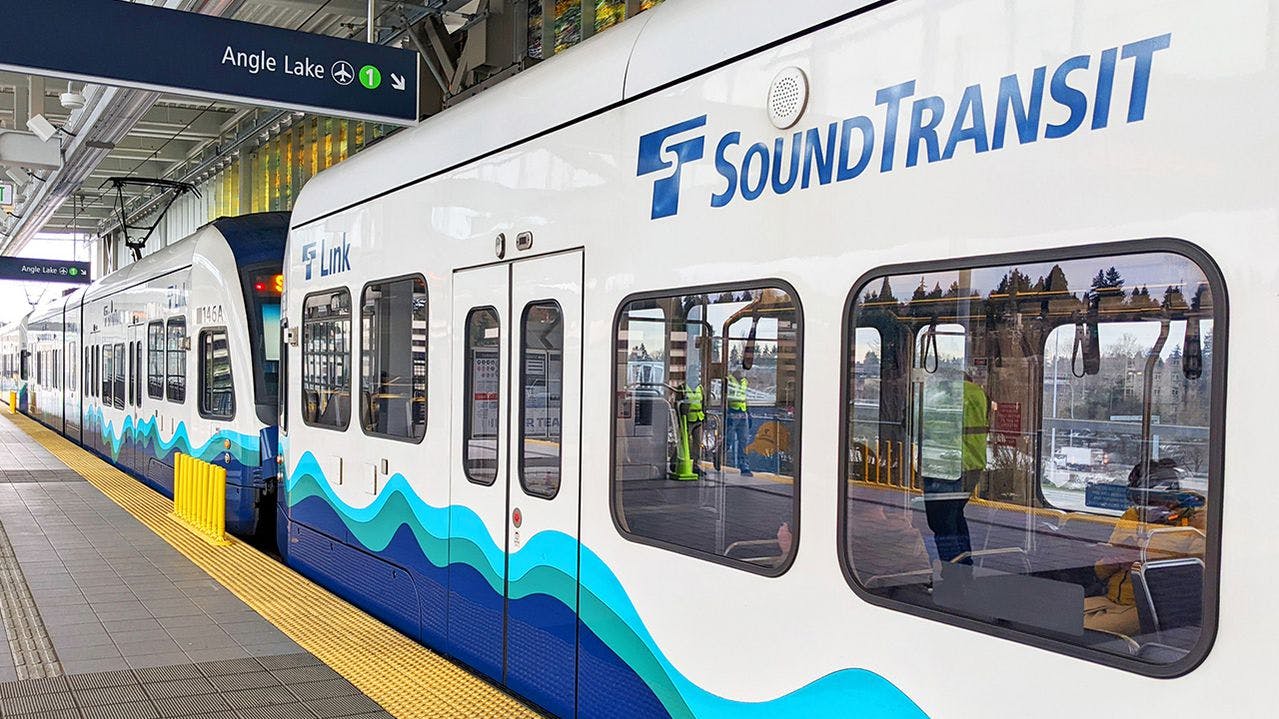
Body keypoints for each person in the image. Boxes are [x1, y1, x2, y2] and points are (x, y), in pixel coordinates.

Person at [1084, 458, 1206, 636]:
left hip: (1150, 606)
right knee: (1057, 617)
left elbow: (1195, 579)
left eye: (1151, 503)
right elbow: (1100, 572)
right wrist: (1114, 561)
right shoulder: (1133, 516)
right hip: (1112, 598)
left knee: (1083, 632)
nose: (1146, 509)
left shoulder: (1194, 523)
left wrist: (1145, 562)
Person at [923, 373, 989, 563]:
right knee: (955, 517)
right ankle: (965, 566)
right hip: (974, 466)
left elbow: (928, 422)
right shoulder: (981, 395)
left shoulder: (949, 394)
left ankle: (954, 574)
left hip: (947, 465)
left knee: (941, 523)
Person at [725, 369, 752, 476]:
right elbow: (725, 397)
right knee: (728, 440)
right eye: (741, 371)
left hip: (743, 413)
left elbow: (745, 397)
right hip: (732, 413)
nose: (743, 373)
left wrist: (748, 413)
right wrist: (727, 413)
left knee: (743, 441)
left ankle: (744, 465)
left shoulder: (744, 381)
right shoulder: (729, 381)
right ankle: (718, 456)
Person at [683, 382, 705, 476]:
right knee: (685, 442)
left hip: (698, 417)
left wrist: (705, 416)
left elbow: (703, 403)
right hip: (687, 418)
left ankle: (695, 465)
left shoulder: (700, 388)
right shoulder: (684, 387)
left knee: (697, 443)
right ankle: (675, 461)